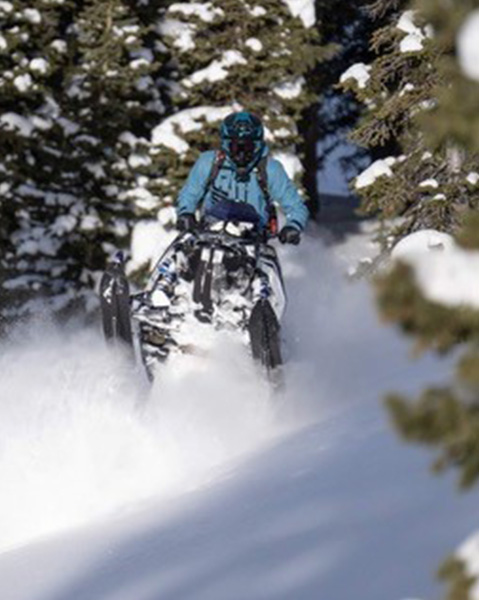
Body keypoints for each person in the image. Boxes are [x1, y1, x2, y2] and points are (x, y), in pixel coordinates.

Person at [176, 111, 309, 243]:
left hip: (252, 241)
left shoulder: (270, 169)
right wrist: (186, 213)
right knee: (182, 256)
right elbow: (190, 193)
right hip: (209, 236)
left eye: (248, 147)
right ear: (226, 145)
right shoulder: (210, 162)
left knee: (265, 262)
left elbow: (295, 206)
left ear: (257, 146)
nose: (241, 155)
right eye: (236, 147)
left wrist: (293, 226)